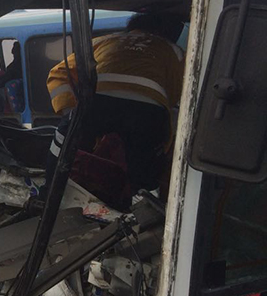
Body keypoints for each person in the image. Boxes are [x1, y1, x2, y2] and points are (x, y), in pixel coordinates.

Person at [45, 12, 185, 207]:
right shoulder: (174, 50)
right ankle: (141, 210)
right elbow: (176, 92)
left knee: (62, 147)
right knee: (143, 166)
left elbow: (58, 73)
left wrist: (70, 112)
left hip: (97, 102)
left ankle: (47, 195)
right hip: (148, 111)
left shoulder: (104, 40)